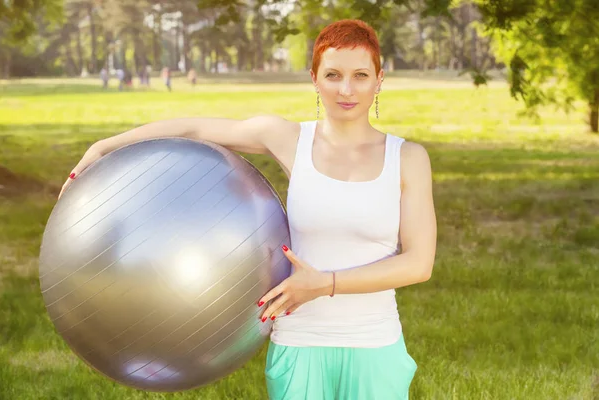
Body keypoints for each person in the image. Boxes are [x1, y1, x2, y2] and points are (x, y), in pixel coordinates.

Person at [59, 19, 437, 400]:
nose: (346, 89)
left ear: (379, 79)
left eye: (360, 75)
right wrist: (104, 147)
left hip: (376, 347)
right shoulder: (289, 139)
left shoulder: (407, 158)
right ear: (314, 78)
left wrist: (327, 284)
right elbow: (192, 130)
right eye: (333, 75)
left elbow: (419, 263)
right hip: (299, 344)